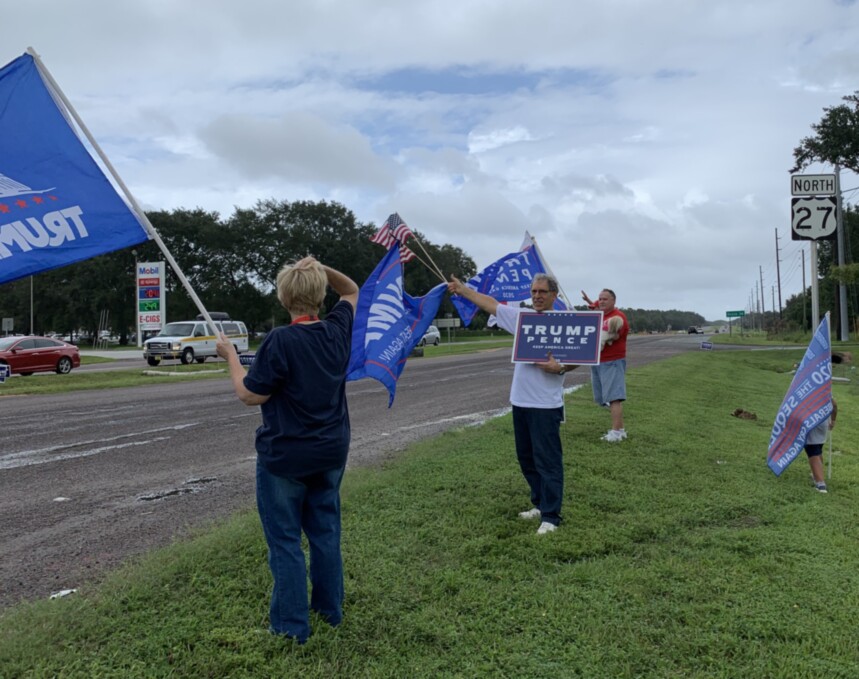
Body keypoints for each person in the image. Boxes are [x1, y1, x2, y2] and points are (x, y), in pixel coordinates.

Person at [216, 256, 358, 643]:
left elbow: (249, 393)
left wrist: (231, 358)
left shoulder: (280, 340)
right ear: (319, 294)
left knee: (285, 541)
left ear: (283, 298)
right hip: (331, 450)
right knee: (325, 534)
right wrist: (323, 267)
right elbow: (351, 290)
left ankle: (291, 628)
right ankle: (329, 612)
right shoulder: (336, 330)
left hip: (285, 457)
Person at [448, 272, 572, 535]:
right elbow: (490, 304)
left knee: (547, 460)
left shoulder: (565, 321)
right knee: (526, 458)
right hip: (521, 400)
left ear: (554, 295)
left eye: (542, 292)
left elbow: (582, 356)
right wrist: (462, 290)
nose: (537, 296)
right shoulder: (522, 319)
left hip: (546, 404)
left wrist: (560, 367)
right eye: (534, 292)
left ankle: (551, 516)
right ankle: (539, 503)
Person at [581, 289, 629, 442]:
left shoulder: (617, 318)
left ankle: (616, 433)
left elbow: (607, 337)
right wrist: (590, 302)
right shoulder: (601, 311)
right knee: (603, 397)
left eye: (605, 299)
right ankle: (620, 430)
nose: (601, 301)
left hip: (612, 361)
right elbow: (596, 305)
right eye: (600, 299)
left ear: (613, 301)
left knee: (614, 397)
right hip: (599, 360)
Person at [805, 397, 837, 493]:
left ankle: (820, 484)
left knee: (812, 452)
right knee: (818, 450)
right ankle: (815, 474)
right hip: (823, 423)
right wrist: (833, 420)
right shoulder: (824, 389)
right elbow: (834, 405)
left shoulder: (809, 388)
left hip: (811, 422)